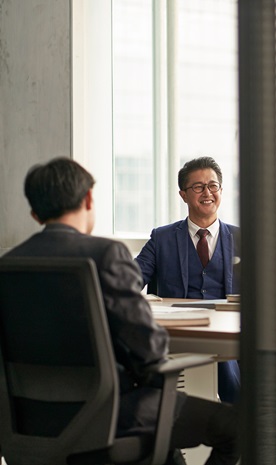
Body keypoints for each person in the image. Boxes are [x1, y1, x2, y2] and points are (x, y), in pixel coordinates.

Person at [3, 157, 239, 465]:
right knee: (235, 428)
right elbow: (150, 350)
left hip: (25, 419)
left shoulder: (7, 266)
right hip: (107, 415)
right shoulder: (105, 255)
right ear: (88, 198)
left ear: (35, 213)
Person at [135, 156, 241, 404]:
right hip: (180, 334)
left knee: (227, 363)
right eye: (198, 187)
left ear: (221, 191)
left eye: (213, 186)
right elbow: (132, 278)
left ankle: (233, 427)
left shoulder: (242, 238)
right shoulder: (161, 238)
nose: (207, 192)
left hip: (228, 335)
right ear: (183, 194)